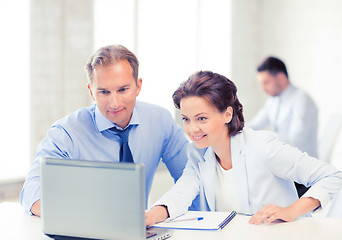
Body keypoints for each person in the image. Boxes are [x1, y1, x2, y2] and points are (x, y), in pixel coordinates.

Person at [145, 71, 342, 226]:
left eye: (202, 118)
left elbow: (332, 176)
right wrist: (149, 217)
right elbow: (180, 193)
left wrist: (291, 210)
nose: (192, 129)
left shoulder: (263, 147)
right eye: (186, 119)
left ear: (227, 114)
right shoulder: (197, 154)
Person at [20, 44, 190, 216]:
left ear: (138, 86)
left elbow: (191, 176)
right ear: (92, 92)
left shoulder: (160, 121)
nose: (114, 103)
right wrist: (82, 219)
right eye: (104, 92)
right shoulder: (67, 132)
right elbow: (32, 191)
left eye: (123, 90)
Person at [248, 56, 318, 158]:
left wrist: (263, 141)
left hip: (302, 164)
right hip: (283, 159)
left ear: (280, 78)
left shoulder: (302, 99)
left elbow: (296, 141)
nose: (262, 88)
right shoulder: (273, 100)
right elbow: (255, 125)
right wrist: (235, 130)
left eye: (266, 82)